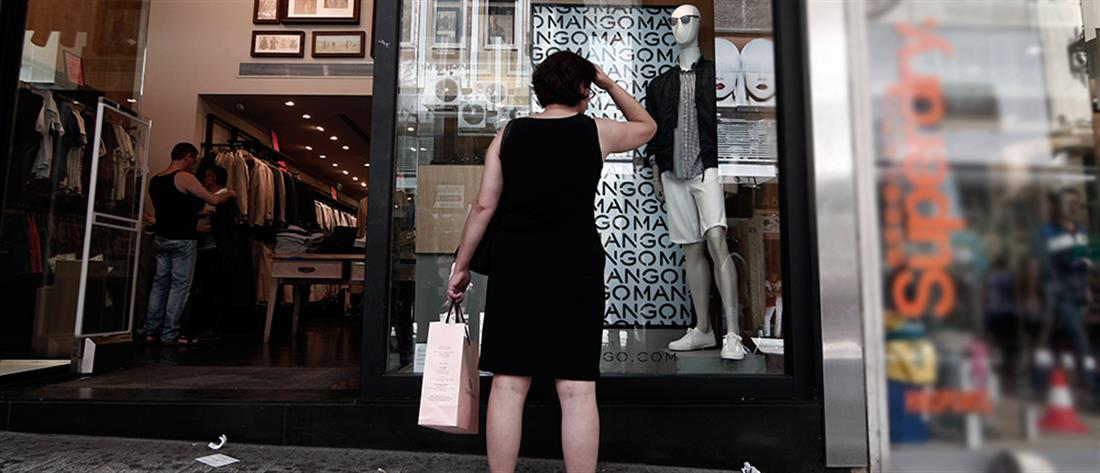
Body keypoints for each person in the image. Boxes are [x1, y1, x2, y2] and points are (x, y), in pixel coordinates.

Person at [446, 51, 656, 472]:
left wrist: (461, 267)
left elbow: (484, 207)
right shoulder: (596, 131)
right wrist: (607, 82)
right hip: (575, 264)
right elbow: (647, 125)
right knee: (577, 388)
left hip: (516, 264)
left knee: (509, 383)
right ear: (583, 88)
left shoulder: (509, 133)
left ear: (540, 89)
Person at [143, 143, 234, 346]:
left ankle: (151, 330)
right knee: (179, 286)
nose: (194, 164)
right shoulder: (184, 177)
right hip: (182, 239)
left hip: (161, 237)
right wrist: (230, 194)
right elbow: (213, 200)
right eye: (193, 159)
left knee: (159, 284)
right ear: (187, 156)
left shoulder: (156, 180)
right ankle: (170, 333)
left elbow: (170, 211)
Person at [1029, 188, 1094, 391]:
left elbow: (1085, 262)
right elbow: (1033, 264)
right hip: (1056, 294)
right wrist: (1032, 295)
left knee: (1056, 341)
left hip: (1078, 294)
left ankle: (1041, 382)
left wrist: (1087, 287)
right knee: (1077, 335)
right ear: (1058, 207)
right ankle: (1089, 384)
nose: (1073, 207)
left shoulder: (1081, 231)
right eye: (1068, 203)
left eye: (1076, 203)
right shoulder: (1044, 232)